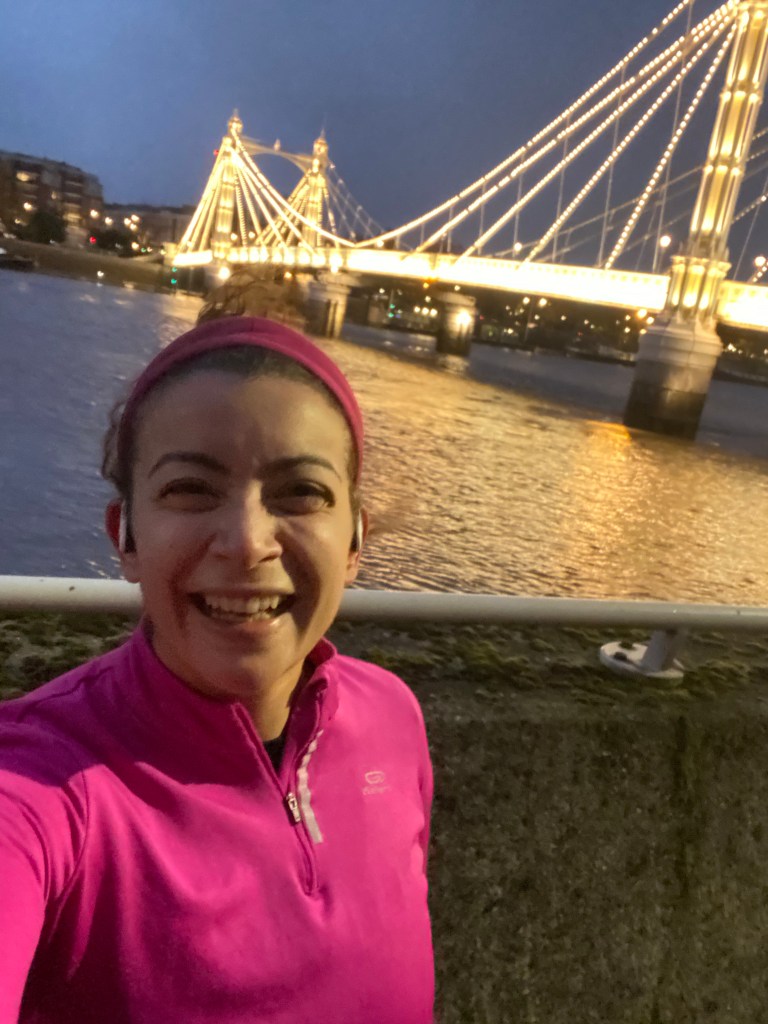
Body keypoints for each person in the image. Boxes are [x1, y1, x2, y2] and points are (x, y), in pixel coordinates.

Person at [0, 315, 434, 1023]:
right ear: (126, 538)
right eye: (191, 490)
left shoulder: (392, 716)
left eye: (301, 493)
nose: (245, 542)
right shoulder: (40, 786)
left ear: (354, 539)